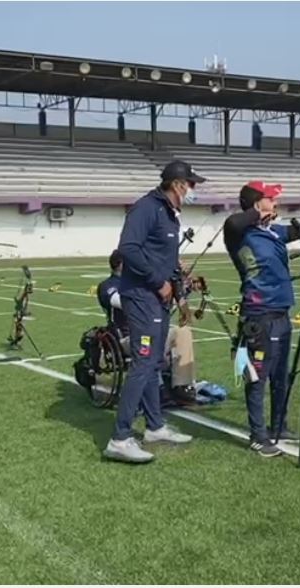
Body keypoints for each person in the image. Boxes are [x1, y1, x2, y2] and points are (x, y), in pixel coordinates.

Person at [223, 181, 300, 457]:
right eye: (271, 199)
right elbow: (232, 222)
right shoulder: (239, 233)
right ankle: (258, 435)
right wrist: (259, 214)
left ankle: (278, 426)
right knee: (257, 377)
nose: (276, 202)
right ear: (256, 203)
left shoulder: (273, 232)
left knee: (280, 376)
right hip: (259, 315)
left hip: (281, 313)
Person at [102, 160, 204, 464]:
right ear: (177, 184)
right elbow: (128, 248)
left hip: (158, 300)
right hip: (142, 296)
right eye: (191, 183)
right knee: (144, 363)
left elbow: (170, 261)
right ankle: (120, 438)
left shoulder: (170, 214)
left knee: (155, 362)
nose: (194, 189)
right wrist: (157, 280)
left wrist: (182, 300)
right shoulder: (147, 208)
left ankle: (155, 426)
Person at [97, 249, 198, 407]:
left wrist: (181, 284)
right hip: (126, 339)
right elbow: (120, 302)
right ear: (121, 265)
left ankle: (182, 385)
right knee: (149, 335)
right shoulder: (107, 285)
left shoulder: (138, 283)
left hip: (151, 331)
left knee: (183, 331)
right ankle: (157, 387)